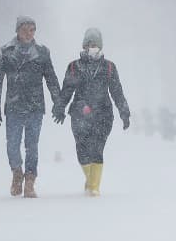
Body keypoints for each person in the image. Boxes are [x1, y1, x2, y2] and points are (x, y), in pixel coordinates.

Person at [52, 27, 130, 196]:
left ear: (100, 46)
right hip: (80, 114)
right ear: (84, 45)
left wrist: (124, 112)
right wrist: (59, 106)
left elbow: (117, 92)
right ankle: (90, 179)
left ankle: (94, 188)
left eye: (95, 44)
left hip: (103, 114)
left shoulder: (109, 67)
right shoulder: (74, 67)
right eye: (89, 43)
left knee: (97, 150)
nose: (91, 46)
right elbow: (67, 90)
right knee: (82, 152)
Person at [0, 15, 61, 198]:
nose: (29, 33)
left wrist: (58, 102)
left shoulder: (42, 53)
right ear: (17, 30)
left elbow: (51, 79)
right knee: (12, 144)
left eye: (32, 29)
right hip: (13, 105)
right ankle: (16, 173)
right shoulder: (4, 52)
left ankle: (30, 180)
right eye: (25, 29)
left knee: (32, 145)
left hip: (35, 106)